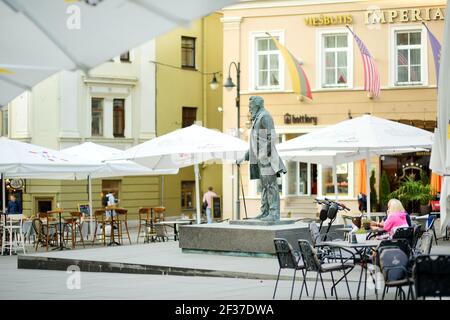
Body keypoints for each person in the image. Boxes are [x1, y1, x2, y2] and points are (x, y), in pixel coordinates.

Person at [237, 96, 286, 222]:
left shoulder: (265, 116)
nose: (249, 109)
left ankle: (274, 213)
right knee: (264, 187)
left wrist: (265, 155)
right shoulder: (257, 118)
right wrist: (244, 157)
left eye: (250, 106)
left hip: (267, 160)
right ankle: (265, 212)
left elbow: (272, 137)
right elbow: (255, 144)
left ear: (257, 106)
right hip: (260, 160)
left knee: (271, 186)